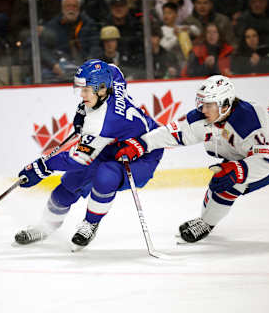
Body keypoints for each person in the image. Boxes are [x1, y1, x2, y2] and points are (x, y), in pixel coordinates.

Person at [113, 75, 269, 243]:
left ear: (224, 105)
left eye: (209, 105)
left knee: (227, 183)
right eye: (202, 104)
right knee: (220, 182)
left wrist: (238, 171)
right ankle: (206, 220)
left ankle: (207, 223)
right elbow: (173, 133)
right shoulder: (206, 116)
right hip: (243, 152)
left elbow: (265, 162)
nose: (203, 109)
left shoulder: (247, 123)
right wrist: (141, 144)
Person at [14, 59, 164, 250]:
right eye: (81, 89)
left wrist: (43, 167)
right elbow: (113, 68)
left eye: (86, 90)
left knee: (106, 175)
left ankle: (90, 223)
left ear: (101, 89)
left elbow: (76, 159)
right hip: (112, 143)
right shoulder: (111, 79)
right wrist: (81, 110)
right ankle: (45, 227)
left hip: (144, 152)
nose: (82, 95)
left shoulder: (100, 123)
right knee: (67, 187)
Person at [39, 0, 100, 83]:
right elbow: (43, 48)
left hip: (84, 67)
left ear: (79, 8)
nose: (71, 9)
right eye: (68, 6)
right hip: (60, 69)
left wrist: (89, 64)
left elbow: (96, 46)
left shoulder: (89, 24)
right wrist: (53, 65)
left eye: (74, 6)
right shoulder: (52, 26)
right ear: (62, 8)